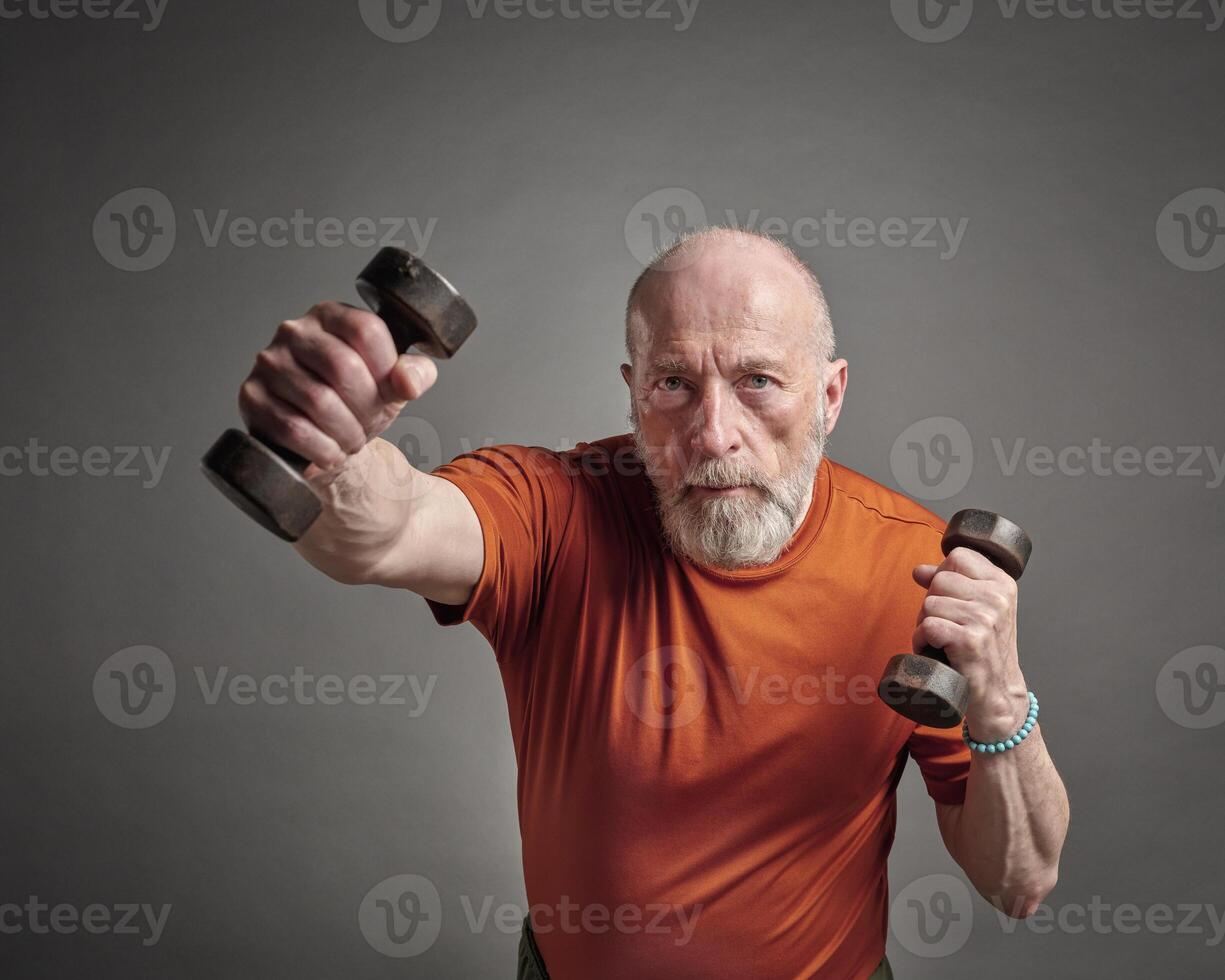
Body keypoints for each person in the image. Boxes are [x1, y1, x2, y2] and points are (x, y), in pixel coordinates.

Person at [236, 227, 1070, 979]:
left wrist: (999, 700)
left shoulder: (917, 570)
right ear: (633, 391)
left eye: (758, 381)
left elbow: (1018, 881)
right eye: (674, 383)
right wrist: (329, 450)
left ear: (829, 394)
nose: (712, 433)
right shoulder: (558, 507)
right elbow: (384, 529)